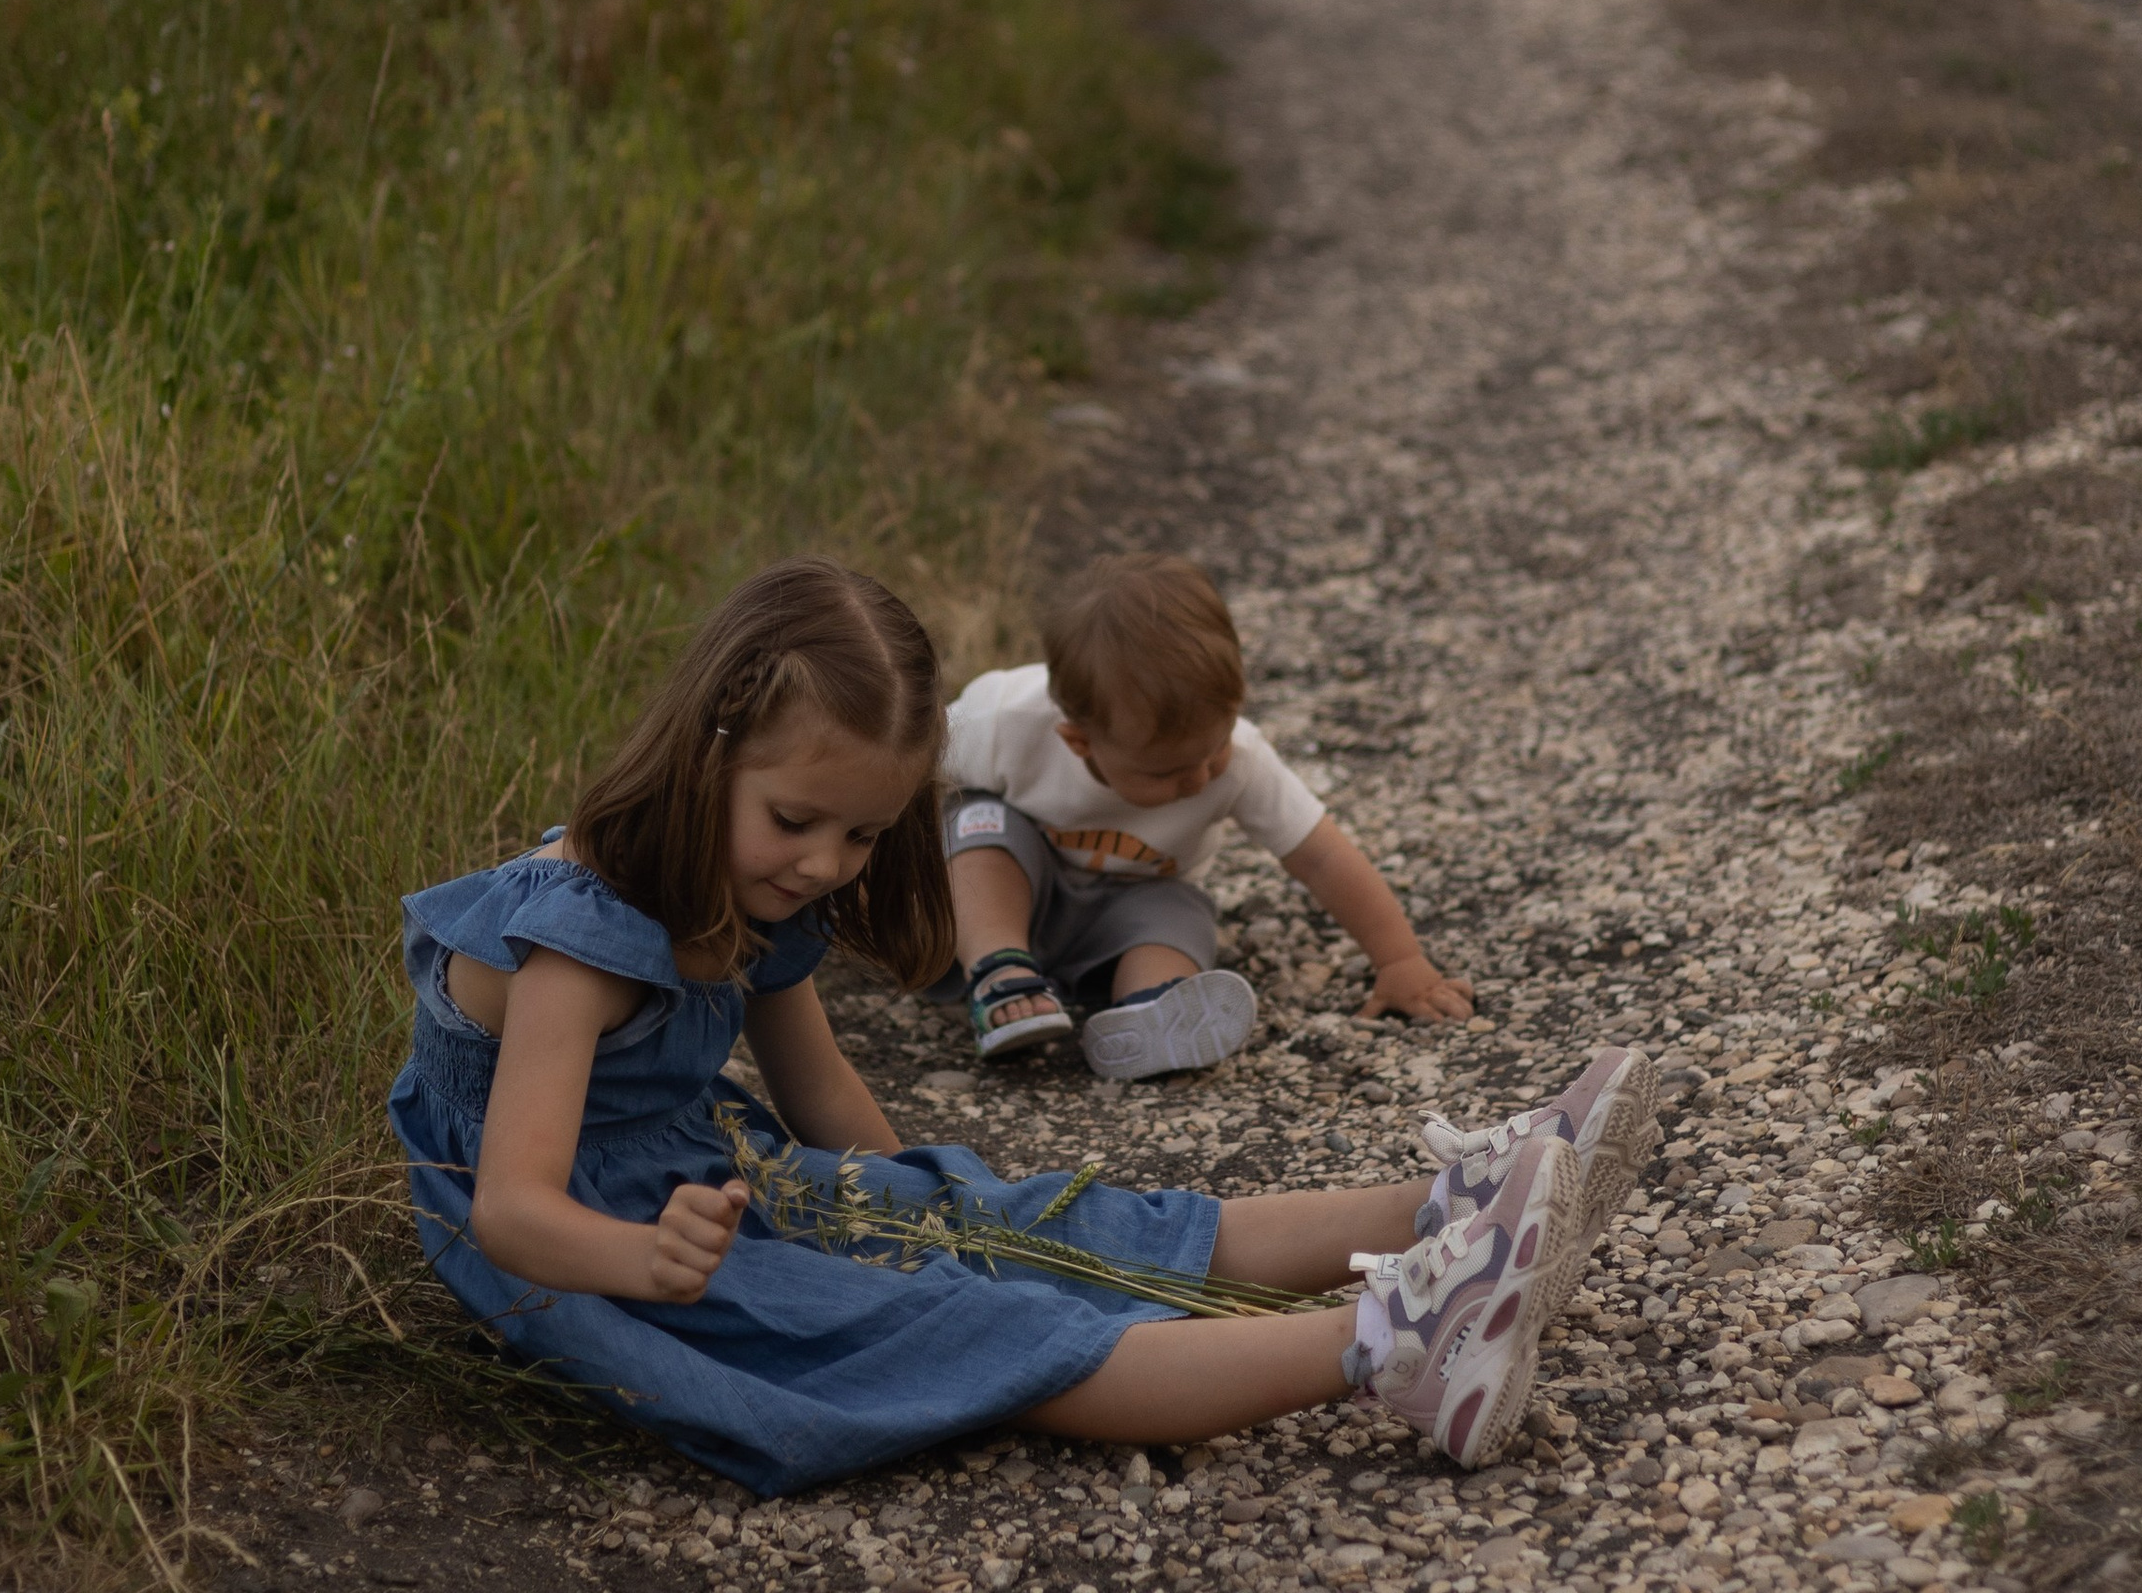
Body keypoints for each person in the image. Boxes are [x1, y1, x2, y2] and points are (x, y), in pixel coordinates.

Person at [390, 554, 1658, 1496]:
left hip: (698, 1182)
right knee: (970, 1334)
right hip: (587, 1248)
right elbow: (512, 1207)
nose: (830, 862)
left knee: (1014, 1224)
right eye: (798, 822)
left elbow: (821, 1088)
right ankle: (1395, 1342)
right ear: (707, 750)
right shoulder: (580, 929)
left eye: (868, 834)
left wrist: (928, 1213)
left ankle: (1455, 1209)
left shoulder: (756, 891)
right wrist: (644, 1264)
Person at [940, 550, 1471, 1077]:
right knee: (981, 824)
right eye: (1164, 772)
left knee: (1181, 913)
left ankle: (1150, 1009)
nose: (1197, 780)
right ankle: (1000, 971)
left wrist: (1400, 962)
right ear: (1079, 741)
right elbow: (898, 772)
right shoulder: (1002, 722)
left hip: (1131, 908)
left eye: (1211, 752)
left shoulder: (1240, 758)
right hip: (1015, 896)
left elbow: (1323, 857)